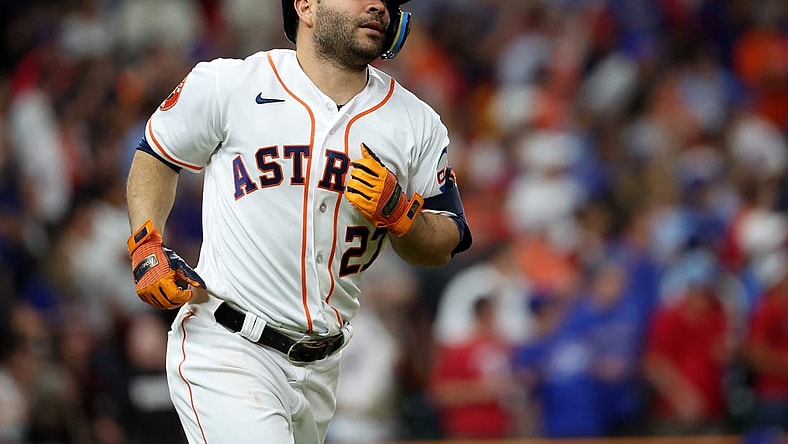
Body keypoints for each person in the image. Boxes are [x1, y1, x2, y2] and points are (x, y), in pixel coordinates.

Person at [123, 0, 472, 443]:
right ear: (305, 5)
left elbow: (446, 239)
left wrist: (403, 218)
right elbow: (157, 153)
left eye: (387, 0)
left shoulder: (416, 123)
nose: (378, 5)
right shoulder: (231, 84)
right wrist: (145, 243)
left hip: (322, 368)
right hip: (229, 346)